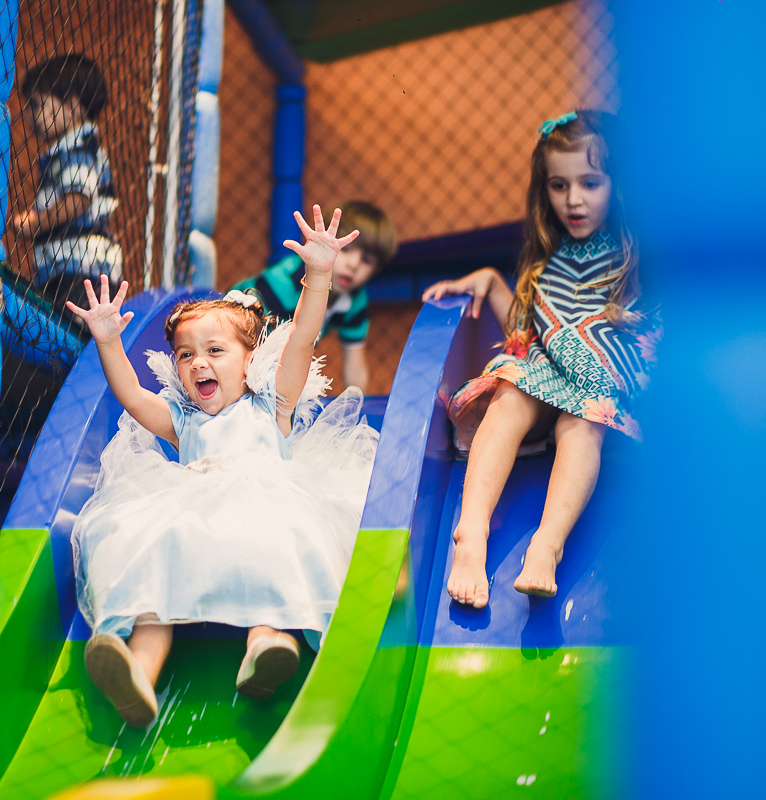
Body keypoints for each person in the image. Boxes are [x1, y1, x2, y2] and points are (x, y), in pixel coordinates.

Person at [65, 206, 380, 727]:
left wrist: (319, 273)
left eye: (214, 350)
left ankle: (268, 648)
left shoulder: (270, 402)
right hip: (192, 511)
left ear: (249, 359)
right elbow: (130, 396)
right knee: (153, 560)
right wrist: (107, 341)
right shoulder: (183, 419)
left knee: (277, 544)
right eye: (185, 356)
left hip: (265, 503)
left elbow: (301, 336)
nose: (198, 363)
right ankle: (138, 676)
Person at [423, 110, 659, 609]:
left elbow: (650, 330)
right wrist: (489, 282)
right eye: (559, 185)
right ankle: (471, 533)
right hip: (544, 370)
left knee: (584, 419)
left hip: (596, 383)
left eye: (590, 183)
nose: (574, 199)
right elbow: (528, 330)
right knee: (510, 395)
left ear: (618, 183)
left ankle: (547, 543)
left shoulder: (635, 253)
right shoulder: (547, 259)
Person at [231, 200, 397, 392]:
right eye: (345, 249)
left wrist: (356, 408)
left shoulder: (354, 300)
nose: (354, 264)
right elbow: (247, 343)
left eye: (367, 260)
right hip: (236, 336)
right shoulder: (284, 282)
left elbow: (355, 370)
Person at [13, 54, 122, 314]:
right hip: (66, 270)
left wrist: (35, 223)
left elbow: (77, 200)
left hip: (82, 274)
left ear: (73, 105)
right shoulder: (67, 149)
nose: (29, 116)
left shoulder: (78, 147)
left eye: (37, 104)